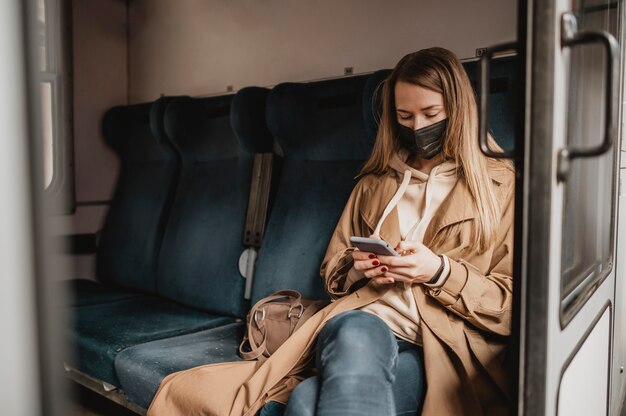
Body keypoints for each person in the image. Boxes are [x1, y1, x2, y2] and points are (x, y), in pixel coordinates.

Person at [146, 47, 514, 416]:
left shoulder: (501, 187)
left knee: (306, 403)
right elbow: (333, 271)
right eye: (405, 116)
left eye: (431, 114)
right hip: (365, 321)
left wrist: (439, 271)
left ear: (460, 110)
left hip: (443, 346)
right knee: (354, 329)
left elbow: (510, 305)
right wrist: (358, 268)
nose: (418, 128)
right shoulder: (375, 185)